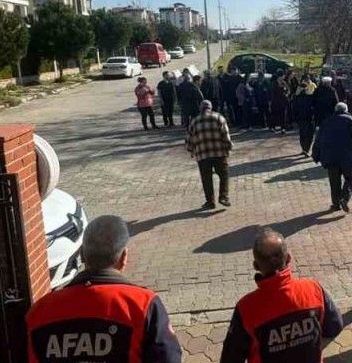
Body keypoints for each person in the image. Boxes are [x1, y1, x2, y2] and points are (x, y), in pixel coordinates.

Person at [26, 215, 181, 363]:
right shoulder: (143, 305)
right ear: (124, 257)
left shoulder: (39, 311)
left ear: (82, 255)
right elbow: (168, 357)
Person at [220, 228, 344, 363]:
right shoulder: (313, 289)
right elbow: (335, 326)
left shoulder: (246, 308)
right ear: (288, 258)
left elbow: (230, 358)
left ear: (256, 266)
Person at [313, 102, 352, 213]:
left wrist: (316, 154)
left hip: (330, 156)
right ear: (346, 110)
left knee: (334, 182)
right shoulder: (351, 120)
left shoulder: (326, 121)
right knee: (351, 179)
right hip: (347, 156)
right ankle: (344, 198)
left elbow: (318, 139)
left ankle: (336, 204)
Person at [186, 100, 233, 209]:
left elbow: (189, 139)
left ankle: (210, 201)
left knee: (206, 178)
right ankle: (223, 197)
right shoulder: (219, 117)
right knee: (224, 175)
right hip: (219, 153)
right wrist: (228, 148)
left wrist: (191, 150)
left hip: (202, 155)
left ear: (200, 109)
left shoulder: (194, 121)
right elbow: (225, 135)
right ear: (211, 108)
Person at [293, 77, 316, 156]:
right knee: (304, 134)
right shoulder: (299, 94)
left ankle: (306, 149)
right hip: (304, 117)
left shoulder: (313, 93)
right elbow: (295, 106)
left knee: (307, 134)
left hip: (308, 117)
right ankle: (305, 149)